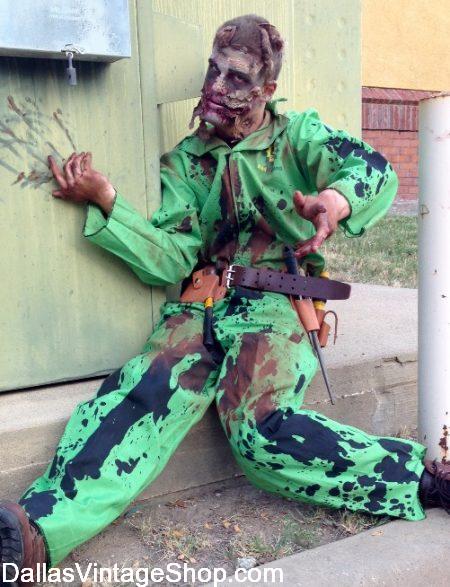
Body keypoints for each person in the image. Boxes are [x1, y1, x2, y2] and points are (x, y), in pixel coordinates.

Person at [1, 14, 448, 585]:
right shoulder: (187, 160)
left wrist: (335, 201)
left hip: (277, 305)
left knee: (259, 429)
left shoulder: (298, 137)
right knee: (143, 392)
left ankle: (419, 481)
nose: (216, 86)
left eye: (236, 78)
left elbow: (374, 168)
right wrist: (108, 200)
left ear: (266, 90)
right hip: (202, 306)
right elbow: (171, 258)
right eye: (213, 70)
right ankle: (34, 534)